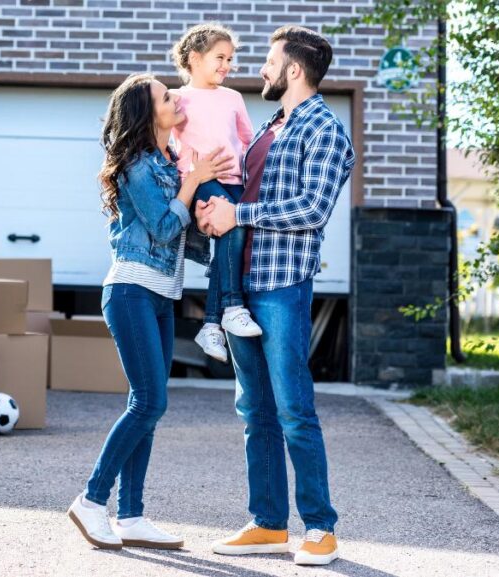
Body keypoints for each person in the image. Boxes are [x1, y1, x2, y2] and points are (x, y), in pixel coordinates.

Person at [195, 25, 355, 566]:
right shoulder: (270, 125)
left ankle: (320, 528)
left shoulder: (326, 130)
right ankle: (267, 523)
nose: (259, 69)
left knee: (293, 409)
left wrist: (239, 214)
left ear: (293, 69)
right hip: (239, 284)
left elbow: (312, 210)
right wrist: (213, 211)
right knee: (254, 410)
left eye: (268, 60)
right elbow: (239, 193)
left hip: (281, 284)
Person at [67, 73, 232, 550]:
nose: (176, 98)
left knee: (149, 405)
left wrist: (209, 214)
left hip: (161, 294)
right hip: (131, 291)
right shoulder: (137, 165)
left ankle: (132, 515)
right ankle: (93, 500)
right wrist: (194, 183)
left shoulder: (171, 161)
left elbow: (184, 237)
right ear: (147, 113)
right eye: (166, 96)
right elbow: (161, 229)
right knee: (149, 401)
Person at [171, 22, 262, 364]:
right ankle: (232, 307)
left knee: (231, 242)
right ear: (194, 58)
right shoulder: (178, 99)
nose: (227, 65)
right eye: (219, 57)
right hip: (201, 180)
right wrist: (188, 179)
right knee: (232, 230)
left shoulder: (233, 98)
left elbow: (248, 141)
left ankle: (211, 324)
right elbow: (166, 140)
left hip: (234, 179)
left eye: (230, 59)